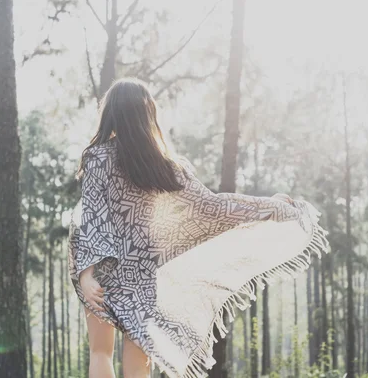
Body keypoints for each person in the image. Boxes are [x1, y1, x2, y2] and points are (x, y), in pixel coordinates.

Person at [68, 78, 329, 378]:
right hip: (142, 272)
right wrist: (270, 206)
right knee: (138, 354)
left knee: (101, 352)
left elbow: (91, 217)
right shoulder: (166, 168)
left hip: (101, 267)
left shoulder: (97, 158)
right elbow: (214, 207)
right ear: (148, 115)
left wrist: (86, 274)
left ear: (111, 113)